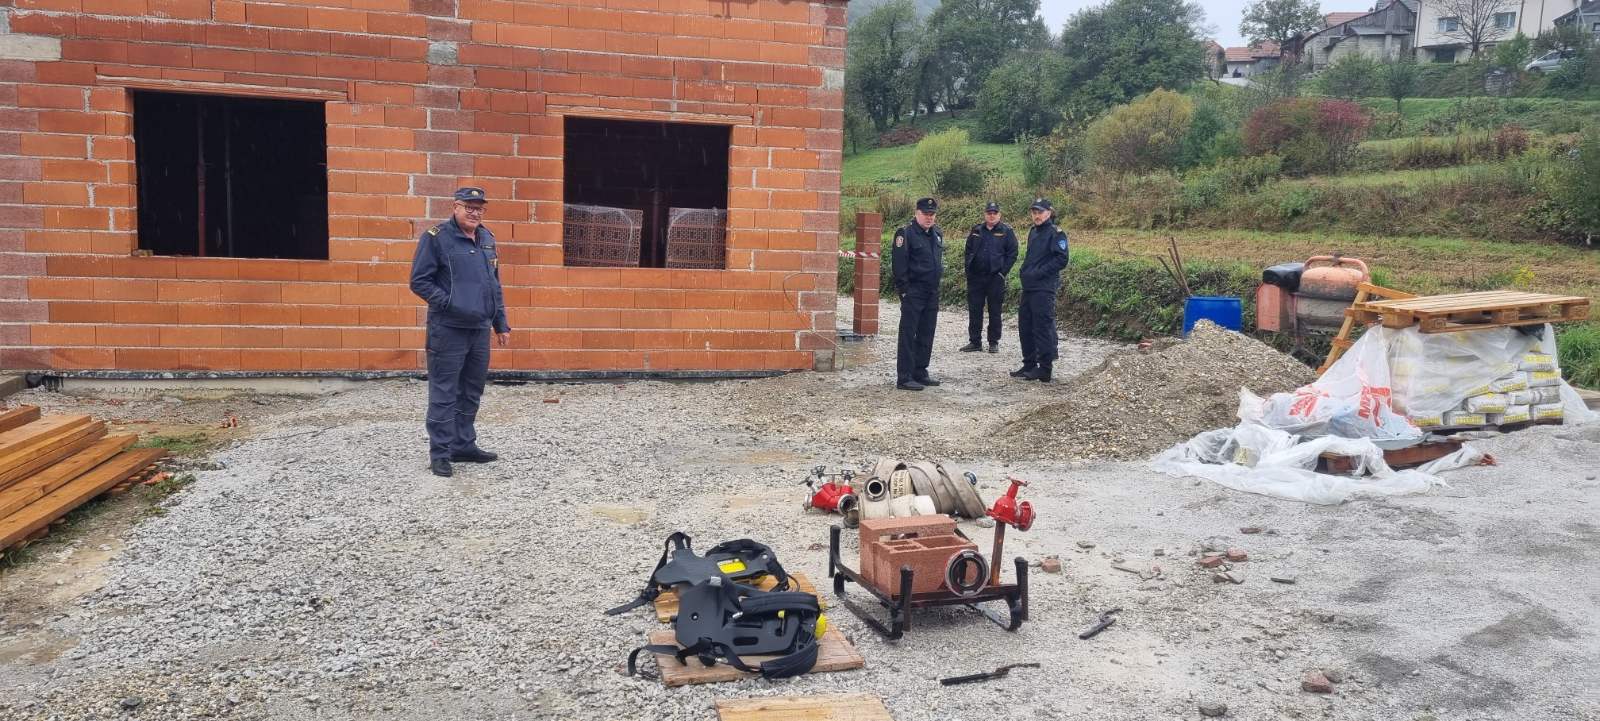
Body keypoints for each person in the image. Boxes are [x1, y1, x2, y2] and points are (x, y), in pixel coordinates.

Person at [409, 187, 512, 477]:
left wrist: (500, 323)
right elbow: (419, 281)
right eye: (469, 207)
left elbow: (494, 285)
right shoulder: (436, 238)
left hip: (479, 329)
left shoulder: (487, 239)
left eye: (479, 208)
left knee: (471, 390)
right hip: (448, 330)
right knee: (444, 392)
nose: (475, 213)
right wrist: (451, 304)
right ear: (455, 207)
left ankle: (463, 445)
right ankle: (440, 453)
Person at [1011, 198, 1070, 382]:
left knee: (1042, 327)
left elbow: (1061, 259)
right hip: (1029, 286)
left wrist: (1038, 273)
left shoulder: (1056, 233)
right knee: (1025, 326)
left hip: (1044, 287)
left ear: (1049, 213)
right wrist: (1026, 272)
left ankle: (1045, 368)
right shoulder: (1033, 231)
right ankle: (1029, 364)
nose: (1036, 215)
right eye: (1034, 212)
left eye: (1040, 212)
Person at [891, 197, 945, 391]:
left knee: (926, 332)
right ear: (917, 213)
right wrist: (905, 291)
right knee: (908, 333)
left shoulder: (937, 234)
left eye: (932, 214)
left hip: (931, 291)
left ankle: (920, 371)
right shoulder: (906, 233)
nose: (929, 217)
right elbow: (899, 264)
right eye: (925, 214)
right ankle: (904, 377)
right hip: (914, 291)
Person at [959, 201, 1018, 354]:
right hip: (976, 277)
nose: (991, 216)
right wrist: (969, 270)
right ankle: (975, 342)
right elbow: (968, 250)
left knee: (995, 311)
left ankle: (993, 342)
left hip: (995, 278)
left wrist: (1002, 273)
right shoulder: (976, 230)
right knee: (974, 310)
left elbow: (1012, 254)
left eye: (994, 213)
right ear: (985, 214)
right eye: (989, 213)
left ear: (999, 215)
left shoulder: (1006, 231)